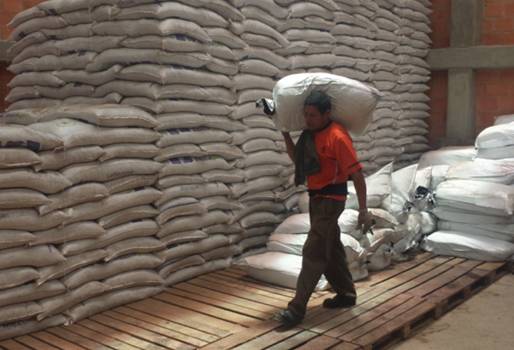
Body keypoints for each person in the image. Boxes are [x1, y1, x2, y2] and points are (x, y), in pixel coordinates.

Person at [276, 90, 371, 327]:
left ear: (327, 114)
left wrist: (363, 210)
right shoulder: (310, 135)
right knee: (330, 246)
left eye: (313, 115)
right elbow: (297, 158)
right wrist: (284, 130)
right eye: (305, 115)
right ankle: (346, 294)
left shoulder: (337, 137)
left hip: (331, 200)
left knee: (314, 250)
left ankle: (296, 310)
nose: (308, 119)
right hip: (317, 199)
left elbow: (357, 175)